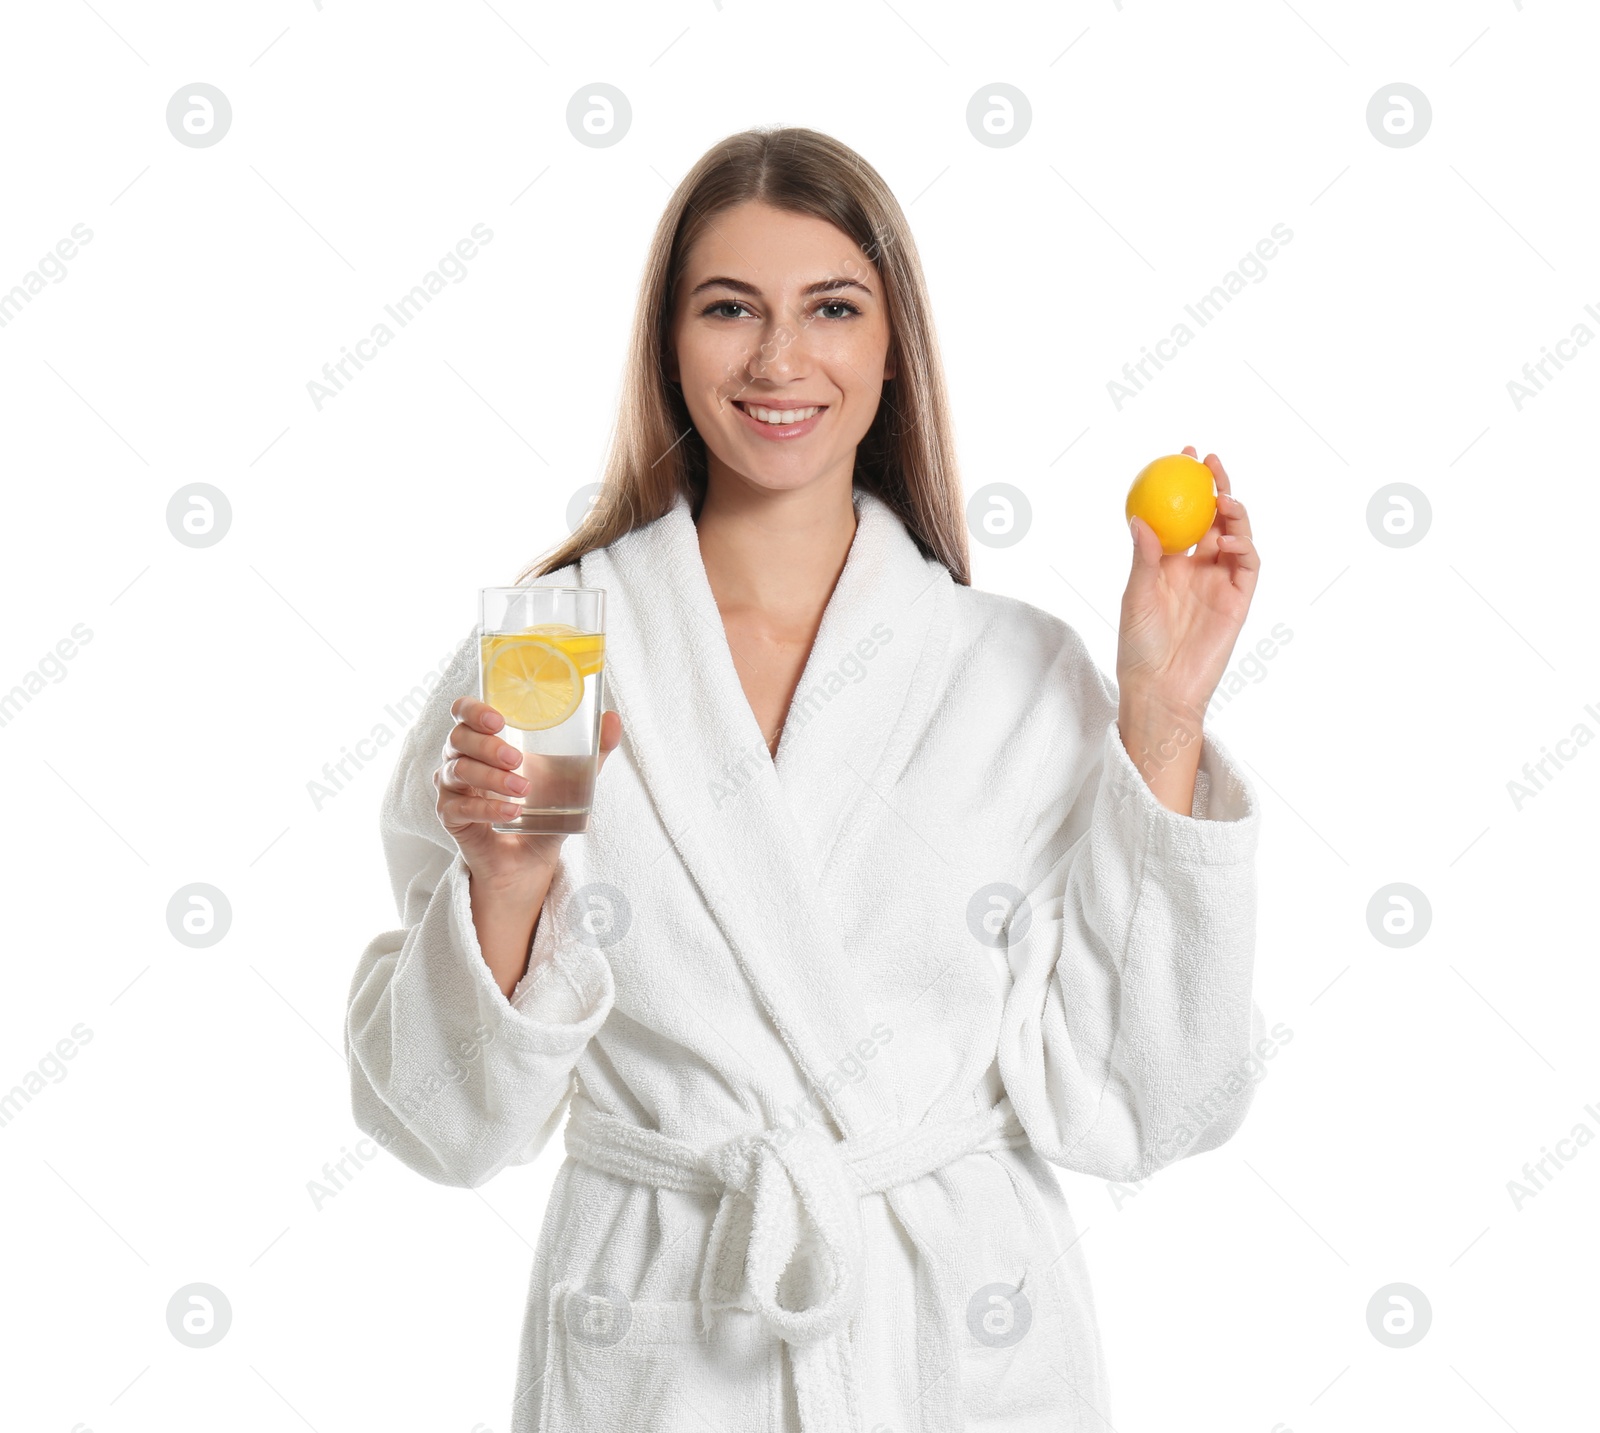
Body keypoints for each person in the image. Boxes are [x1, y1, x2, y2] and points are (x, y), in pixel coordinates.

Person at [346, 124, 1266, 1433]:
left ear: (893, 347)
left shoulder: (1015, 671)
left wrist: (1163, 721)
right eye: (731, 309)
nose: (781, 360)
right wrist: (507, 878)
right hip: (665, 1345)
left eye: (831, 308)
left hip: (958, 1344)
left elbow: (1145, 1106)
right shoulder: (557, 653)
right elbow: (447, 1126)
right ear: (671, 341)